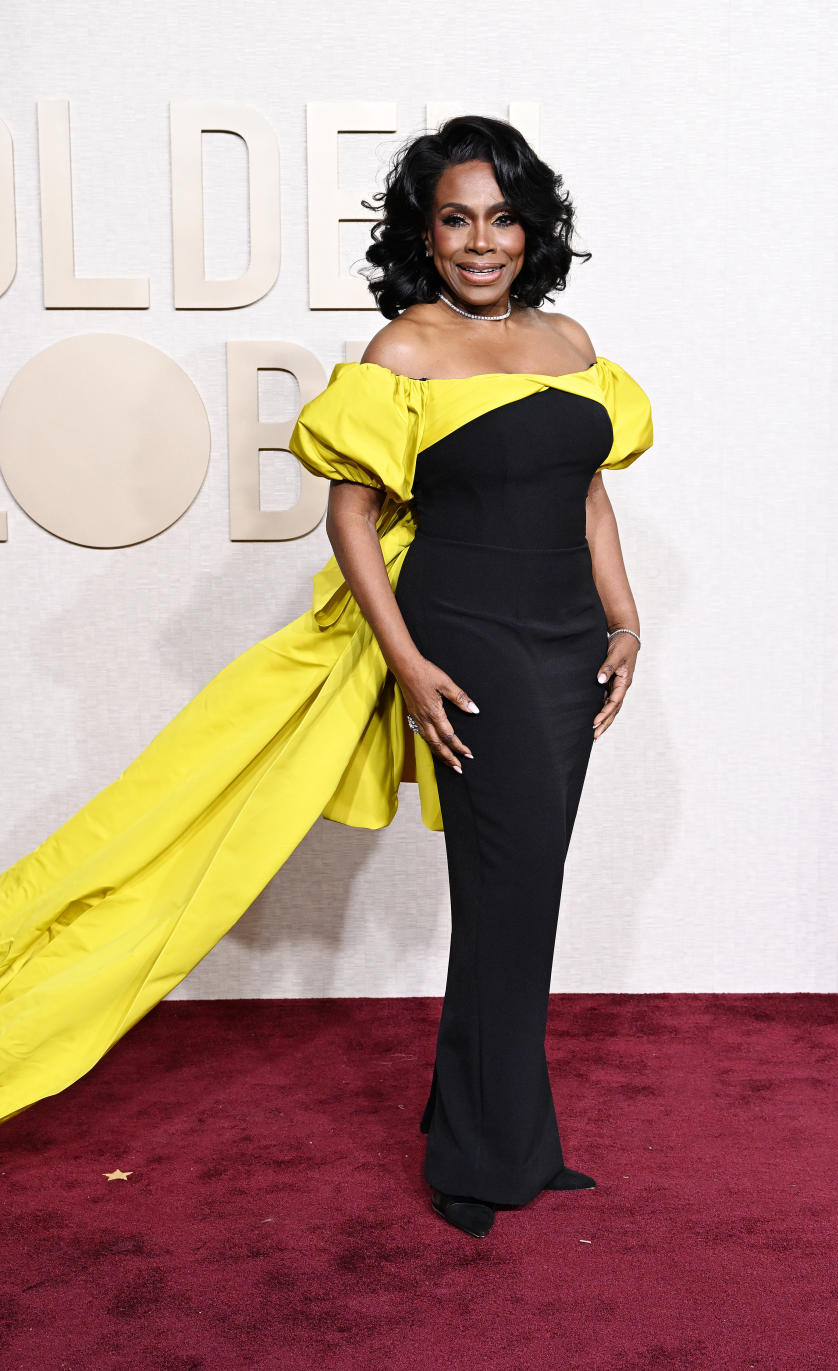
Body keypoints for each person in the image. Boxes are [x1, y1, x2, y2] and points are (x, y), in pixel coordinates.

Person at [0, 115, 653, 1241]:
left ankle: (510, 1137)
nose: (482, 241)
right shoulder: (401, 350)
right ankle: (475, 1160)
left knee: (525, 894)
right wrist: (404, 658)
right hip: (469, 636)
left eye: (502, 217)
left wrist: (626, 614)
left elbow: (588, 493)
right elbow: (350, 513)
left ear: (532, 225)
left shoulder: (572, 339)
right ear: (426, 231)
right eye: (457, 218)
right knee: (503, 896)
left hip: (565, 641)